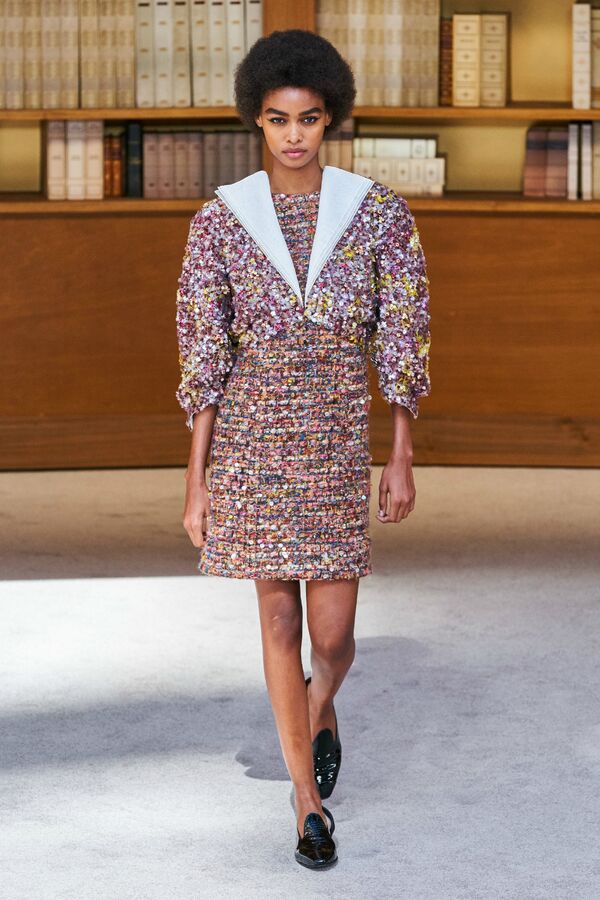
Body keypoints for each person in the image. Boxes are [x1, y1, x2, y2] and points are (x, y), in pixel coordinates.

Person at [175, 29, 431, 870]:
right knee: (279, 619)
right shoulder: (221, 219)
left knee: (334, 636)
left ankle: (323, 706)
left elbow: (403, 333)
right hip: (252, 443)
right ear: (256, 119)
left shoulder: (378, 212)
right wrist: (197, 482)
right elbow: (204, 356)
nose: (294, 135)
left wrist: (400, 453)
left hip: (333, 442)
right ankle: (305, 802)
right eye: (279, 119)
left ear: (331, 119)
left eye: (310, 118)